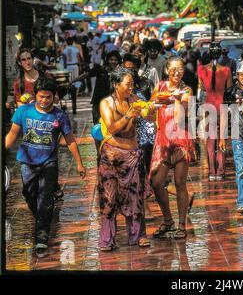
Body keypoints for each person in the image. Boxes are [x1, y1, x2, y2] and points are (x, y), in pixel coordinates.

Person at [5, 77, 86, 256]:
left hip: (49, 163)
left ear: (54, 96)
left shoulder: (59, 116)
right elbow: (12, 134)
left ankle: (41, 237)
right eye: (41, 97)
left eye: (48, 97)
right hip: (27, 162)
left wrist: (80, 164)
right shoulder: (24, 111)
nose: (44, 100)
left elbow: (70, 140)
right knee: (29, 193)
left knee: (45, 199)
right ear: (36, 95)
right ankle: (42, 217)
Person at [98, 67, 154, 251]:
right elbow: (112, 127)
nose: (131, 88)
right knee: (109, 199)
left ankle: (138, 235)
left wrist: (153, 107)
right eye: (128, 84)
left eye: (133, 84)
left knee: (135, 197)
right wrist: (129, 115)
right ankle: (107, 239)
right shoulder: (107, 103)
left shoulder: (135, 99)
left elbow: (149, 117)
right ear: (116, 84)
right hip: (111, 158)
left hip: (132, 155)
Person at [149, 56, 195, 239]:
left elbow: (180, 116)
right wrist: (156, 103)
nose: (177, 72)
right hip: (162, 141)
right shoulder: (159, 87)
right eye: (173, 69)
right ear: (167, 69)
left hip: (180, 140)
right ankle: (168, 220)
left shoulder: (186, 90)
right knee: (157, 183)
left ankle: (182, 224)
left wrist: (175, 99)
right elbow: (151, 107)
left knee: (179, 183)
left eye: (180, 68)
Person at [122, 53, 156, 222]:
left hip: (142, 139)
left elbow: (150, 113)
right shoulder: (116, 93)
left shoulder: (143, 88)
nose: (130, 72)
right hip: (123, 139)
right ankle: (141, 206)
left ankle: (144, 206)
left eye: (132, 69)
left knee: (144, 173)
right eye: (126, 69)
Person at [220, 61, 243, 215]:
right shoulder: (230, 92)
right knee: (241, 167)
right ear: (237, 75)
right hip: (237, 135)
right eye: (242, 74)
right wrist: (222, 137)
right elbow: (224, 114)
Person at [198, 42, 232, 181]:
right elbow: (229, 89)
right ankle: (221, 171)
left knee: (210, 141)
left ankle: (212, 171)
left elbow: (202, 89)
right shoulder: (226, 70)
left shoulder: (201, 70)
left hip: (208, 107)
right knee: (222, 140)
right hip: (222, 106)